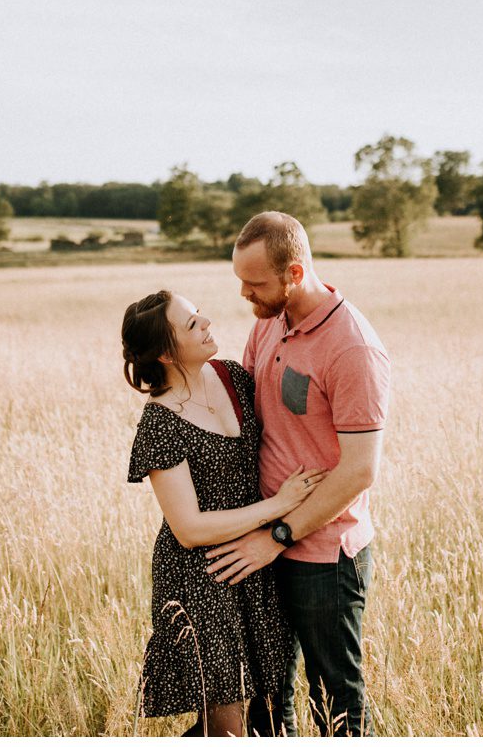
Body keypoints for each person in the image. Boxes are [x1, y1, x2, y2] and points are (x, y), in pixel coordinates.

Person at [207, 211, 391, 737]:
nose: (244, 294)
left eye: (255, 282)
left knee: (335, 698)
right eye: (239, 280)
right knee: (267, 695)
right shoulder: (268, 321)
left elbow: (359, 471)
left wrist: (280, 535)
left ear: (294, 273)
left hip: (324, 557)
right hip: (260, 541)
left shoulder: (353, 348)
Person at [122, 288, 326, 736]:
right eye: (192, 324)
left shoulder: (234, 377)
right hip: (202, 576)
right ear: (165, 353)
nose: (207, 323)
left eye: (200, 315)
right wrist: (278, 506)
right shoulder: (160, 422)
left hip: (258, 563)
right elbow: (189, 529)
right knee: (226, 724)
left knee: (270, 709)